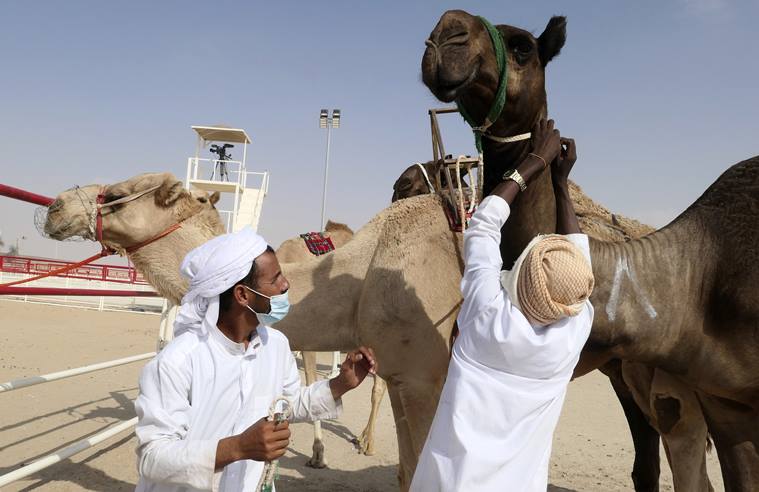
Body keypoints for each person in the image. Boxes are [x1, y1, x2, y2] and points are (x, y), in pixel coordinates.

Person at [410, 119, 595, 491]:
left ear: (523, 278)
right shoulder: (573, 333)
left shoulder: (486, 318)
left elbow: (481, 225)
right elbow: (579, 273)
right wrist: (561, 184)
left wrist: (533, 164)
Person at [134, 227, 376, 491]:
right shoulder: (177, 362)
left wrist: (341, 383)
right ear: (242, 295)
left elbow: (288, 404)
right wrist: (237, 448)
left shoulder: (276, 344)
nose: (286, 285)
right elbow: (152, 457)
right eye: (275, 279)